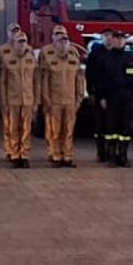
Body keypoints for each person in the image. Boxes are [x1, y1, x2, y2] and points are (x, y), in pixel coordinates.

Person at [37, 25, 86, 168]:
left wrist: (79, 97)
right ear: (54, 40)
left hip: (70, 100)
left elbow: (79, 79)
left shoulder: (74, 54)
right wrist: (46, 99)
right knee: (54, 130)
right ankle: (55, 155)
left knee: (69, 130)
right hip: (54, 100)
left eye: (65, 40)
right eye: (59, 39)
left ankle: (67, 156)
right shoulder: (46, 53)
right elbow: (44, 80)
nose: (63, 43)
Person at [87, 29, 133, 168]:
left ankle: (123, 156)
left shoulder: (131, 57)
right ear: (113, 40)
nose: (119, 40)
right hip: (111, 96)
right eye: (117, 38)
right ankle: (112, 156)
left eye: (122, 38)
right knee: (111, 127)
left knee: (125, 128)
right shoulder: (104, 58)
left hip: (127, 96)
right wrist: (101, 97)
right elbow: (100, 80)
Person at [0, 23, 40, 168]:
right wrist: (1, 99)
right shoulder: (4, 54)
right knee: (12, 127)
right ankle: (13, 153)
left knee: (26, 128)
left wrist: (36, 101)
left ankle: (24, 154)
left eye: (24, 41)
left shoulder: (31, 57)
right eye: (19, 41)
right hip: (11, 98)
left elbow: (36, 81)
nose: (22, 44)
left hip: (27, 99)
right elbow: (1, 80)